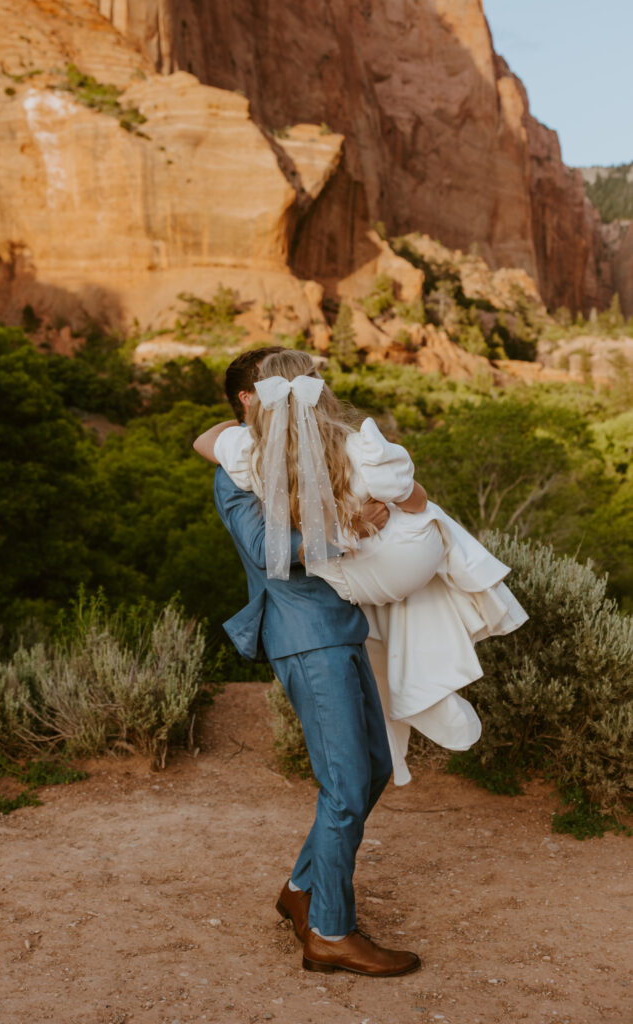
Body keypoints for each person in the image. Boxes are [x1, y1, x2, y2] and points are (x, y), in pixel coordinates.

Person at [194, 349, 528, 785]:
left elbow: (204, 441)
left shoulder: (245, 452)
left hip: (352, 579)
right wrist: (367, 518)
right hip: (372, 575)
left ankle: (424, 696)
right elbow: (415, 500)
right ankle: (444, 667)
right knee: (430, 519)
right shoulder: (350, 444)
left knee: (384, 623)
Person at [197, 347, 422, 977]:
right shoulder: (235, 471)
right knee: (345, 784)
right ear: (252, 400)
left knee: (374, 768)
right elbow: (266, 548)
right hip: (304, 634)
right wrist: (353, 530)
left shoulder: (306, 455)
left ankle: (301, 889)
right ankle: (328, 930)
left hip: (342, 626)